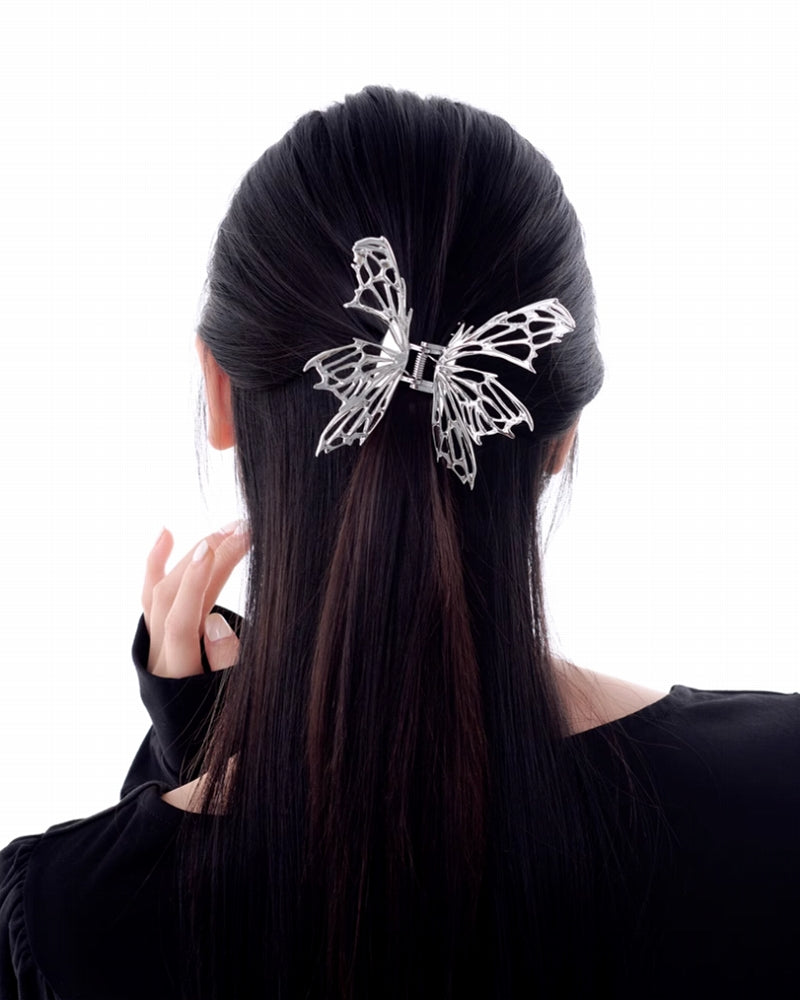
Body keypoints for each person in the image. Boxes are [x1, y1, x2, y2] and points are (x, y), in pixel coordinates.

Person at [1, 85, 799, 1000]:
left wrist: (205, 753)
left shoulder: (65, 915)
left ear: (218, 392)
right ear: (561, 434)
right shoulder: (781, 790)